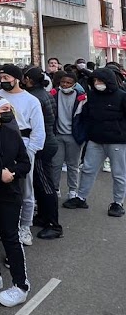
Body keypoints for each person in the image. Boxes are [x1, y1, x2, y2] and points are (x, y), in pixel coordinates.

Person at [0, 93, 32, 305]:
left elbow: (25, 164)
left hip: (10, 195)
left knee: (10, 238)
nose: (8, 113)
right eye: (4, 110)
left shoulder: (12, 133)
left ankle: (21, 285)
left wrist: (11, 173)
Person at [67, 67, 126, 216]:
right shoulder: (91, 96)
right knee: (87, 170)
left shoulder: (122, 96)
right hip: (95, 140)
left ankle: (118, 203)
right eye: (95, 80)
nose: (97, 83)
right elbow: (86, 116)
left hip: (117, 141)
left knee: (119, 173)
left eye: (100, 80)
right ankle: (81, 197)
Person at [0, 64, 45, 245]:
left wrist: (31, 150)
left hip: (24, 146)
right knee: (3, 187)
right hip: (1, 145)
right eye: (1, 78)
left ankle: (25, 226)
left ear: (16, 78)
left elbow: (39, 129)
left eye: (7, 78)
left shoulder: (31, 100)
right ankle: (7, 225)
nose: (4, 81)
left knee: (26, 189)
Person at [22, 67, 63, 240]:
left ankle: (54, 224)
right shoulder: (43, 93)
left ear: (28, 79)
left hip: (42, 145)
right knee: (39, 183)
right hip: (48, 141)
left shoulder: (34, 97)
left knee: (45, 184)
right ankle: (44, 216)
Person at [51, 69, 85, 205]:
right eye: (63, 82)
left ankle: (72, 191)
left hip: (74, 136)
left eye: (68, 82)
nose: (64, 85)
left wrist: (82, 135)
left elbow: (84, 118)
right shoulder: (53, 94)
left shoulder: (81, 97)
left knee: (73, 165)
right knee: (56, 164)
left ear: (74, 84)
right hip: (58, 135)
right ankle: (55, 189)